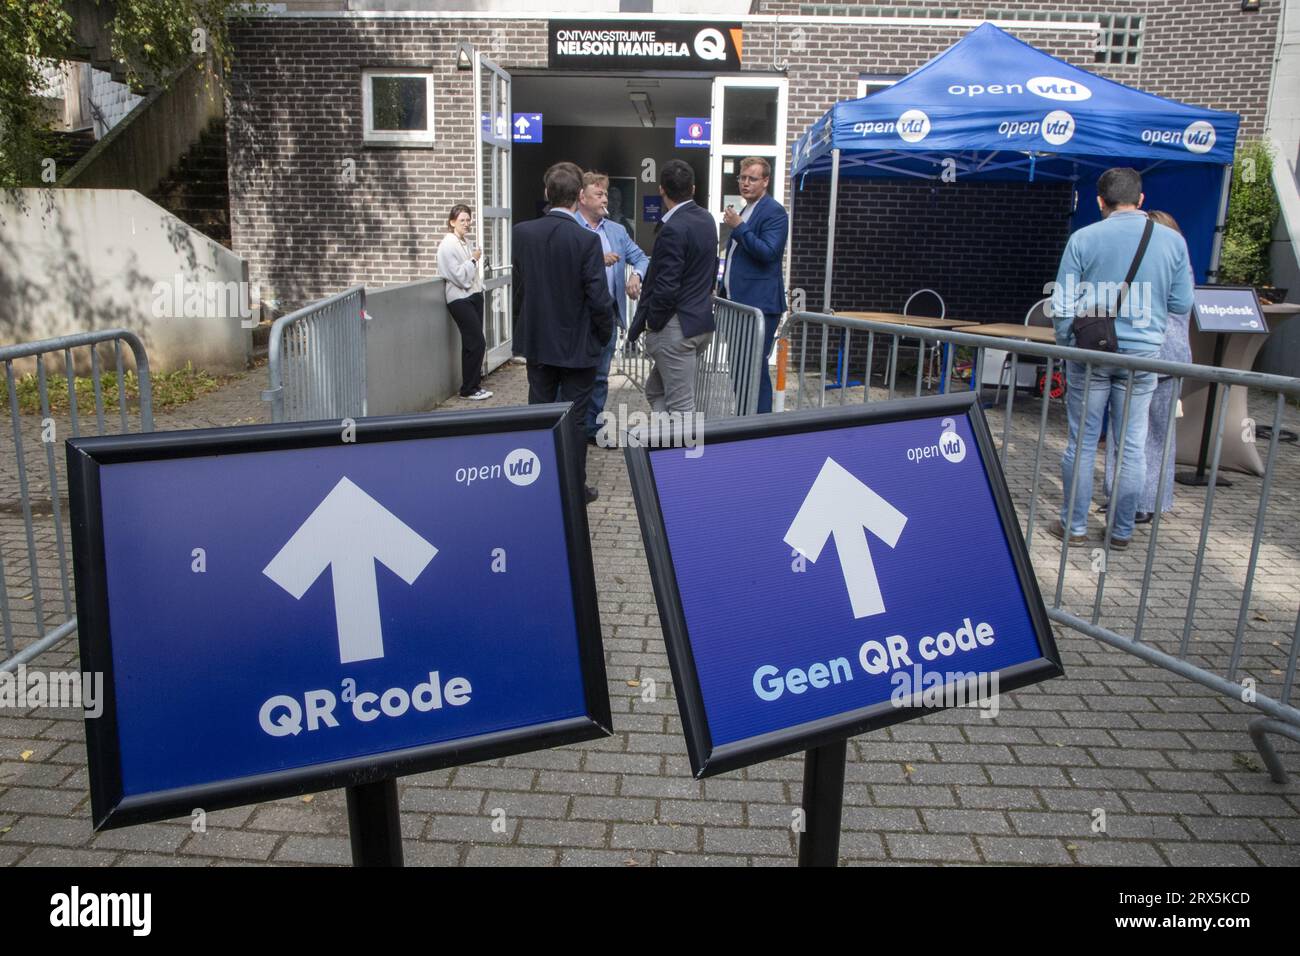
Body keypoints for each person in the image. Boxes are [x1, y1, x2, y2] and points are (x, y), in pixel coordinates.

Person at [1050, 168, 1194, 548]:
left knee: (1081, 443)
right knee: (1132, 444)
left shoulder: (1083, 238)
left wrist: (1067, 342)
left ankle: (1074, 526)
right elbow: (1181, 303)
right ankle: (1121, 531)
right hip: (1144, 358)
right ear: (1141, 200)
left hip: (1091, 353)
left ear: (1100, 201)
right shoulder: (1171, 243)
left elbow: (1062, 303)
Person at [513, 162, 615, 504]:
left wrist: (522, 329)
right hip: (578, 348)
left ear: (547, 193)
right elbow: (598, 298)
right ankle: (573, 488)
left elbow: (520, 289)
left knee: (539, 413)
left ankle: (537, 483)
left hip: (539, 343)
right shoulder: (587, 241)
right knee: (574, 421)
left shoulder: (522, 233)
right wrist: (603, 336)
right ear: (578, 197)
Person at [1102, 210, 1194, 524]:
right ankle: (1133, 500)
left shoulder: (1154, 265)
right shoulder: (1181, 263)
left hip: (1147, 354)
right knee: (1144, 432)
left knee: (1134, 431)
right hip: (1165, 356)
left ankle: (1135, 500)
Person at [627, 159, 718, 422]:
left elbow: (666, 287)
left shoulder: (673, 228)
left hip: (676, 329)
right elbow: (711, 267)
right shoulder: (706, 219)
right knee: (655, 390)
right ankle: (664, 452)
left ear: (661, 190)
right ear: (693, 188)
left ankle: (684, 462)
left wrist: (653, 324)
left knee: (682, 410)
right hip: (699, 324)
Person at [575, 171, 649, 445]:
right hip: (576, 318)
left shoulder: (617, 231)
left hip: (606, 316)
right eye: (599, 194)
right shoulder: (570, 227)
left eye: (606, 193)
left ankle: (592, 428)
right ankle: (568, 427)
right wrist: (596, 259)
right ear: (582, 197)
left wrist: (636, 275)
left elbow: (642, 258)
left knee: (600, 377)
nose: (605, 198)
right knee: (573, 377)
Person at [720, 157, 789, 413]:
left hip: (759, 306)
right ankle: (744, 420)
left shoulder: (773, 211)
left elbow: (769, 252)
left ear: (766, 181)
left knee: (754, 371)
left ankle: (759, 427)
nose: (745, 183)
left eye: (752, 178)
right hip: (738, 305)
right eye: (742, 177)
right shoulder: (747, 209)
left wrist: (739, 228)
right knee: (739, 368)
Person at [436, 204, 492, 400]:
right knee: (477, 342)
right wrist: (474, 260)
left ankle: (473, 385)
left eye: (469, 220)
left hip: (473, 295)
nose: (467, 224)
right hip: (460, 299)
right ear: (452, 222)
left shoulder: (465, 242)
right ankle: (468, 389)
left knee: (471, 344)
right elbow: (460, 276)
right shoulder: (447, 246)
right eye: (462, 220)